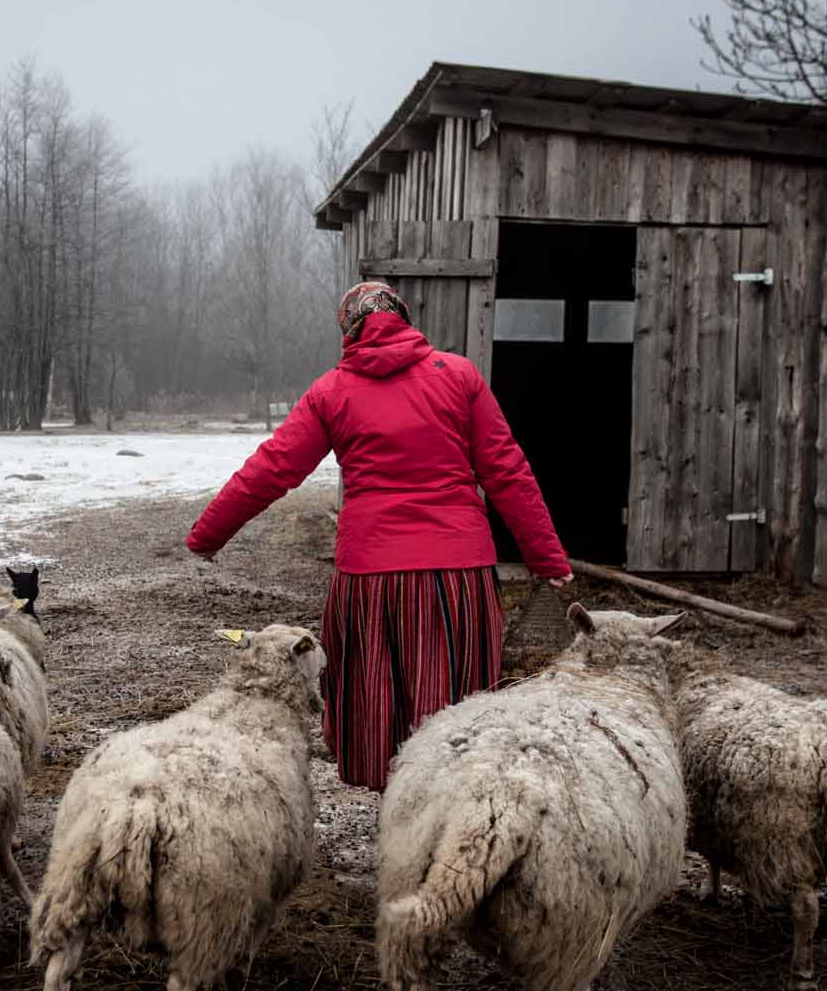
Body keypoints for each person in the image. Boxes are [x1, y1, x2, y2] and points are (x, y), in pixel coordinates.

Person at [185, 281, 572, 792]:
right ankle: (449, 809)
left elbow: (274, 467)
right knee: (451, 705)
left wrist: (208, 535)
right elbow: (506, 471)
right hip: (456, 578)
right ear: (404, 318)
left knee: (378, 702)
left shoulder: (331, 391)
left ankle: (396, 810)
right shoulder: (458, 376)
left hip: (370, 581)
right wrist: (548, 559)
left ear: (348, 329)